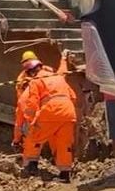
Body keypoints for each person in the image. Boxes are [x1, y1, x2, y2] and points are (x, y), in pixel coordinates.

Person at [15, 50, 78, 182]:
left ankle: (31, 167)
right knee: (64, 144)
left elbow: (31, 104)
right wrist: (63, 58)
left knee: (33, 137)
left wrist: (32, 122)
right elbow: (73, 96)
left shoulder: (35, 81)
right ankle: (65, 174)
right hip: (68, 112)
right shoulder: (57, 76)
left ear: (30, 72)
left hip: (51, 111)